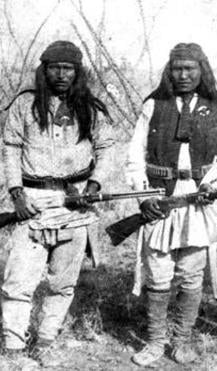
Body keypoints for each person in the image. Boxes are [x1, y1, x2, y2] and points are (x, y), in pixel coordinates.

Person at [125, 43, 217, 366]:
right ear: (169, 70)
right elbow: (134, 156)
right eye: (178, 68)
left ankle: (182, 340)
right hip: (160, 196)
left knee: (191, 272)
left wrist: (211, 185)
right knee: (158, 271)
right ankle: (155, 342)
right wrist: (144, 195)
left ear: (202, 70)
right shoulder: (153, 105)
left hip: (199, 199)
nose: (184, 75)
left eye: (191, 68)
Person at [1, 40, 113, 366]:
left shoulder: (90, 107)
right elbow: (10, 148)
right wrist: (17, 194)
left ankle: (46, 340)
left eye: (68, 68)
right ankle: (13, 348)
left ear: (77, 72)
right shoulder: (25, 104)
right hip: (33, 201)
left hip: (75, 202)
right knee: (20, 279)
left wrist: (93, 185)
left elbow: (106, 147)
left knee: (63, 281)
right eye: (55, 67)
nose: (61, 74)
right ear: (44, 69)